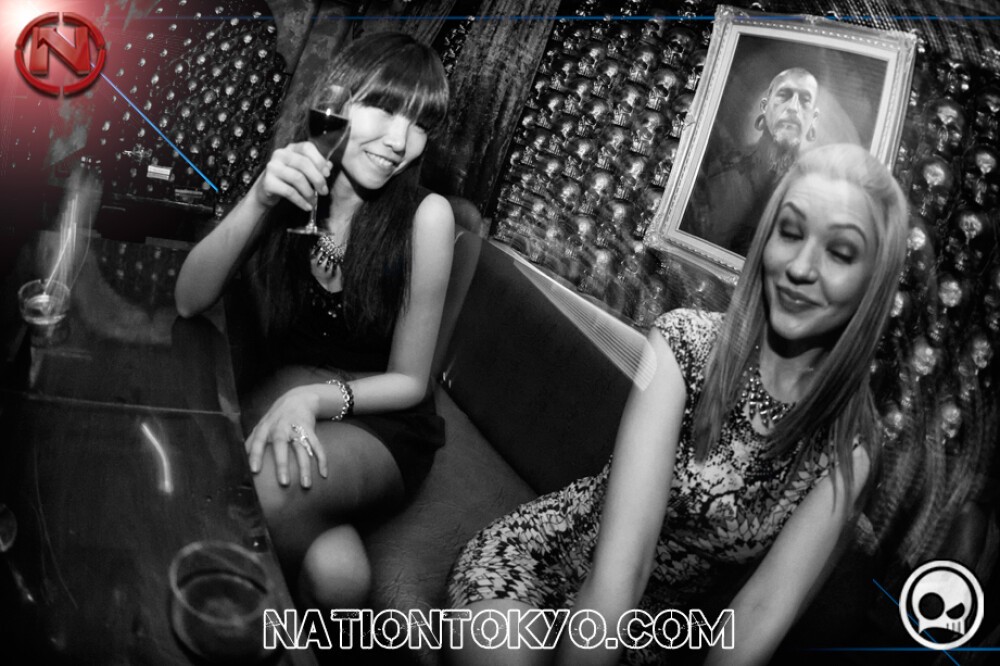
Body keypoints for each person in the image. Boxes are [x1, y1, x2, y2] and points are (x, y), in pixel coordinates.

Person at [448, 143, 907, 665]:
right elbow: (623, 568)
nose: (801, 267)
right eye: (791, 232)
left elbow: (759, 613)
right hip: (543, 563)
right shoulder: (684, 344)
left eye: (841, 252)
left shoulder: (851, 446)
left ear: (873, 283)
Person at [175, 32, 454, 607]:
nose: (399, 141)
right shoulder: (293, 180)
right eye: (384, 109)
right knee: (339, 576)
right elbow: (188, 298)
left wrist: (312, 399)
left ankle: (203, 619)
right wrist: (259, 198)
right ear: (337, 100)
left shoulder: (428, 216)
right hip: (284, 388)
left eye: (420, 124)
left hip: (380, 420)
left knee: (261, 487)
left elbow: (409, 381)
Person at [682, 68, 821, 257]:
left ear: (814, 118)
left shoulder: (817, 193)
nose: (793, 107)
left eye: (805, 100)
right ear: (765, 106)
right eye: (784, 95)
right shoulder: (722, 171)